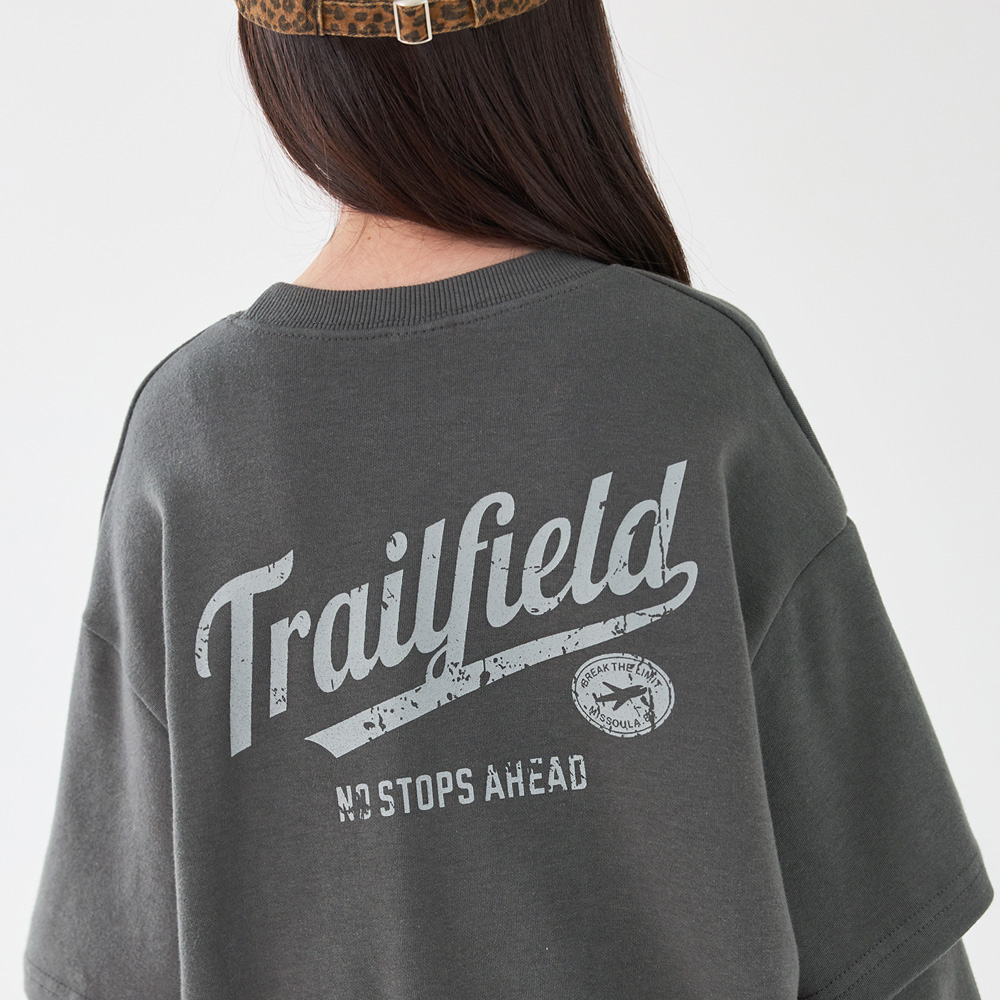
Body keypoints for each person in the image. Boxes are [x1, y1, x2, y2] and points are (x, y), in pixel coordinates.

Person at [23, 1, 993, 998]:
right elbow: (891, 949)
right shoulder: (691, 382)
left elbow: (98, 974)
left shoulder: (191, 439)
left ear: (281, 52)